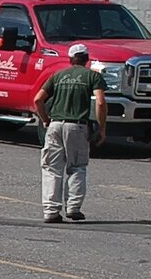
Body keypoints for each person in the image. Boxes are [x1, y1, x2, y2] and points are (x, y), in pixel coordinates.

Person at [36, 43, 105, 223]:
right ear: (86, 59)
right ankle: (73, 207)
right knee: (77, 166)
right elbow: (100, 102)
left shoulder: (57, 76)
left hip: (55, 124)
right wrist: (102, 127)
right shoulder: (93, 76)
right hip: (77, 126)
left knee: (52, 168)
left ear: (70, 59)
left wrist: (45, 120)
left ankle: (51, 211)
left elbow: (38, 99)